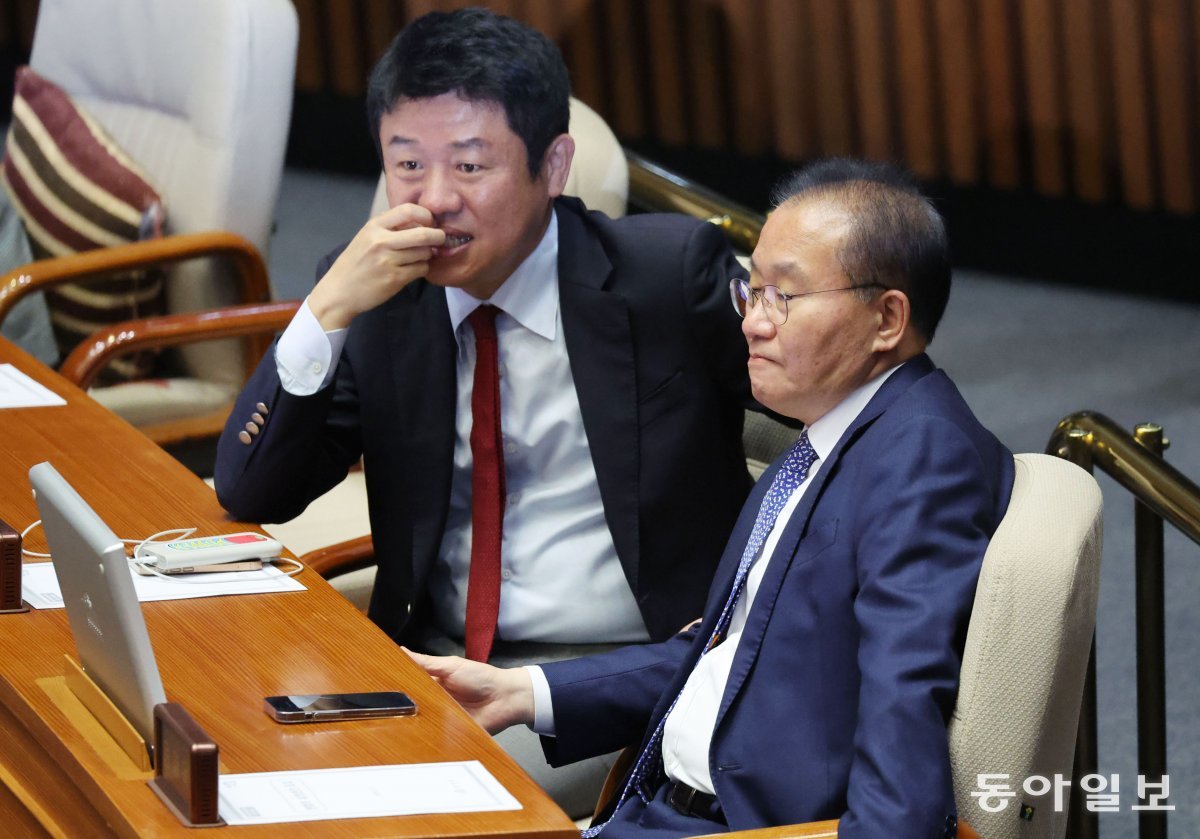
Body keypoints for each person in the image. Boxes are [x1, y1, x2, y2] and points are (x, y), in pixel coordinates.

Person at [213, 7, 764, 816]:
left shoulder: (666, 280)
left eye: (471, 167)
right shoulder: (381, 300)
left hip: (610, 681)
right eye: (406, 165)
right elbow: (250, 490)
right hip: (431, 665)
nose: (434, 201)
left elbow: (821, 427)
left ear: (554, 164)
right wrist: (326, 307)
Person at [408, 159, 1016, 838]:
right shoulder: (828, 441)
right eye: (750, 292)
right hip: (648, 810)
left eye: (782, 296)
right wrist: (521, 691)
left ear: (887, 318)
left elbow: (903, 710)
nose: (753, 324)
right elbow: (731, 652)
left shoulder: (922, 458)